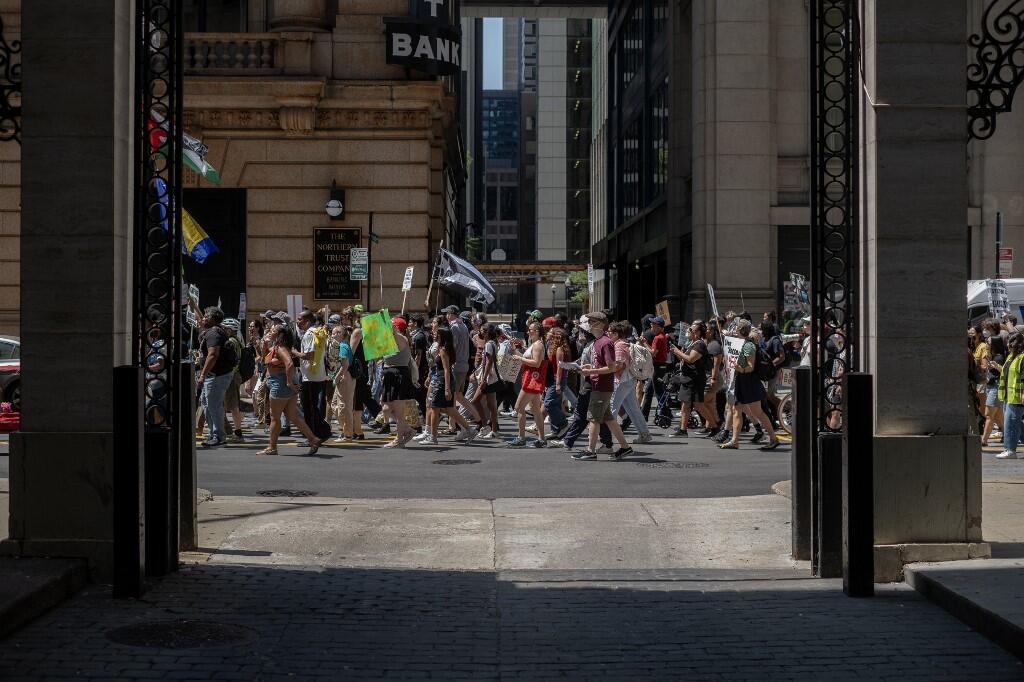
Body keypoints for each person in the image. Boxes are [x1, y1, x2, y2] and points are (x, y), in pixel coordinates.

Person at [572, 312, 633, 461]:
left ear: (599, 324)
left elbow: (612, 367)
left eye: (591, 321)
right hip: (599, 385)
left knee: (593, 418)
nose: (588, 324)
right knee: (609, 420)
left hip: (601, 387)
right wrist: (589, 366)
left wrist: (591, 370)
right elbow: (602, 364)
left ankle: (590, 451)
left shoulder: (605, 342)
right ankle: (625, 447)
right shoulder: (598, 341)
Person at [259, 324, 322, 456]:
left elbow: (289, 364)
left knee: (275, 417)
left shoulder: (281, 348)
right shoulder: (278, 347)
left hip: (280, 384)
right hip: (283, 383)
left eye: (274, 330)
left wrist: (288, 382)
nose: (270, 331)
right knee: (292, 416)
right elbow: (265, 357)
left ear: (280, 334)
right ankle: (313, 439)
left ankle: (272, 447)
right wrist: (264, 345)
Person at [719, 319, 780, 451]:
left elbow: (750, 367)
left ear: (741, 330)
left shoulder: (748, 346)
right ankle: (734, 440)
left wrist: (739, 368)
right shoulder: (741, 342)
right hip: (741, 380)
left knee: (757, 412)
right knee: (737, 410)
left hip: (749, 381)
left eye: (737, 328)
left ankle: (773, 438)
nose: (735, 330)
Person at [415, 318, 476, 445]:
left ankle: (433, 437)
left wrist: (447, 388)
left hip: (442, 381)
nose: (435, 335)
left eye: (438, 335)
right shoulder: (444, 348)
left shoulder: (443, 350)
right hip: (439, 379)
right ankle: (469, 430)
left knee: (435, 407)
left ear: (443, 336)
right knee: (449, 409)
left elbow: (447, 370)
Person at [608, 321, 652, 444]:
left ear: (616, 334)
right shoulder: (624, 343)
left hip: (621, 380)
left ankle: (605, 438)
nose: (608, 334)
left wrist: (605, 370)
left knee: (612, 408)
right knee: (633, 409)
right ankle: (644, 434)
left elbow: (619, 365)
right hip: (628, 379)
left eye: (610, 332)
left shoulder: (619, 345)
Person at [197, 307, 235, 447]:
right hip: (213, 376)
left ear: (214, 319)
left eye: (207, 315)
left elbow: (213, 355)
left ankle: (219, 436)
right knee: (207, 405)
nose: (204, 317)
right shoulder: (212, 331)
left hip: (217, 376)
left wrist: (202, 375)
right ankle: (214, 433)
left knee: (214, 406)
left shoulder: (213, 333)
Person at [380, 317, 418, 449]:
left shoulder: (401, 338)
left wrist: (384, 319)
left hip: (398, 375)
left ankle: (399, 439)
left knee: (399, 411)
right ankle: (407, 430)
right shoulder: (391, 340)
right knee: (386, 407)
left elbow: (393, 333)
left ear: (396, 327)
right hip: (390, 375)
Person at [443, 305, 481, 433]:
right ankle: (478, 418)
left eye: (447, 313)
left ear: (452, 314)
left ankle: (452, 426)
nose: (446, 316)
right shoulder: (464, 326)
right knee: (459, 396)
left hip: (456, 364)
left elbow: (453, 346)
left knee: (453, 397)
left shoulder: (454, 327)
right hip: (464, 364)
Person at [295, 310, 332, 443]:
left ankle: (314, 435)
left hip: (310, 377)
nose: (297, 321)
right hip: (316, 375)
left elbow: (309, 355)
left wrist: (295, 352)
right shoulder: (316, 332)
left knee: (309, 408)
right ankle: (322, 432)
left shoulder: (310, 334)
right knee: (313, 407)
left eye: (299, 319)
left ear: (307, 321)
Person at [668, 321, 709, 438]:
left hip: (695, 379)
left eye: (690, 330)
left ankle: (715, 425)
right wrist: (677, 352)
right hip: (687, 378)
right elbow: (684, 359)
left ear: (697, 333)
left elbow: (691, 359)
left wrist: (677, 351)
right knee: (685, 404)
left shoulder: (699, 344)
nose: (688, 331)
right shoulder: (692, 343)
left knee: (698, 406)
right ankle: (682, 429)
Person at [510, 322, 549, 447]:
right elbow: (529, 359)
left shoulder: (538, 345)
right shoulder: (535, 344)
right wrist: (516, 352)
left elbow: (536, 363)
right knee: (536, 410)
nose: (528, 332)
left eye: (530, 330)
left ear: (537, 332)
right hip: (531, 379)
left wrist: (520, 359)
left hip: (532, 381)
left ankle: (521, 437)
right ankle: (542, 439)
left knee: (518, 407)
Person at [472, 323, 502, 439]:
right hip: (490, 378)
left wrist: (483, 379)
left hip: (488, 379)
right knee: (491, 405)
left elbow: (489, 362)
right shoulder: (493, 343)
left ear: (487, 332)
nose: (480, 333)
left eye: (482, 331)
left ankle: (486, 425)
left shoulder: (489, 344)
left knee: (475, 401)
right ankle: (493, 429)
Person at [997, 332, 1024, 459]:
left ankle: (1010, 450)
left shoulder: (1022, 357)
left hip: (1017, 396)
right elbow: (1007, 373)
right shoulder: (1011, 356)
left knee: (1011, 423)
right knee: (1016, 423)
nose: (1007, 344)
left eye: (1009, 342)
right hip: (1008, 395)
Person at [542, 326, 571, 440]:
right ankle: (555, 430)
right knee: (555, 404)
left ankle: (564, 424)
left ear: (555, 335)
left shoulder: (559, 349)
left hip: (558, 379)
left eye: (549, 332)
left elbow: (560, 368)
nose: (547, 333)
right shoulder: (550, 346)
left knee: (549, 403)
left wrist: (558, 383)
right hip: (552, 379)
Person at [641, 316, 671, 424]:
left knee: (658, 392)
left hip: (657, 367)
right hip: (658, 367)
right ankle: (644, 415)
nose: (651, 326)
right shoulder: (662, 336)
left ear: (659, 327)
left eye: (653, 325)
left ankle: (665, 414)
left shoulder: (658, 338)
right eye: (651, 324)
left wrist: (644, 343)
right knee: (649, 391)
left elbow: (653, 353)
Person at [221, 318, 246, 443]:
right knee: (232, 404)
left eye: (224, 328)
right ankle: (233, 431)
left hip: (231, 375)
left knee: (233, 406)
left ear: (230, 330)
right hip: (234, 375)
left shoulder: (231, 341)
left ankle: (238, 434)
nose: (223, 330)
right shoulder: (237, 340)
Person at [330, 326, 356, 440]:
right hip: (343, 377)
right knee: (335, 405)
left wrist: (337, 377)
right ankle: (346, 430)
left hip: (345, 377)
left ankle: (348, 433)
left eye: (335, 332)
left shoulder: (343, 346)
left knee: (343, 407)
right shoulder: (342, 345)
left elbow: (345, 365)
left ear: (340, 334)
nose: (332, 334)